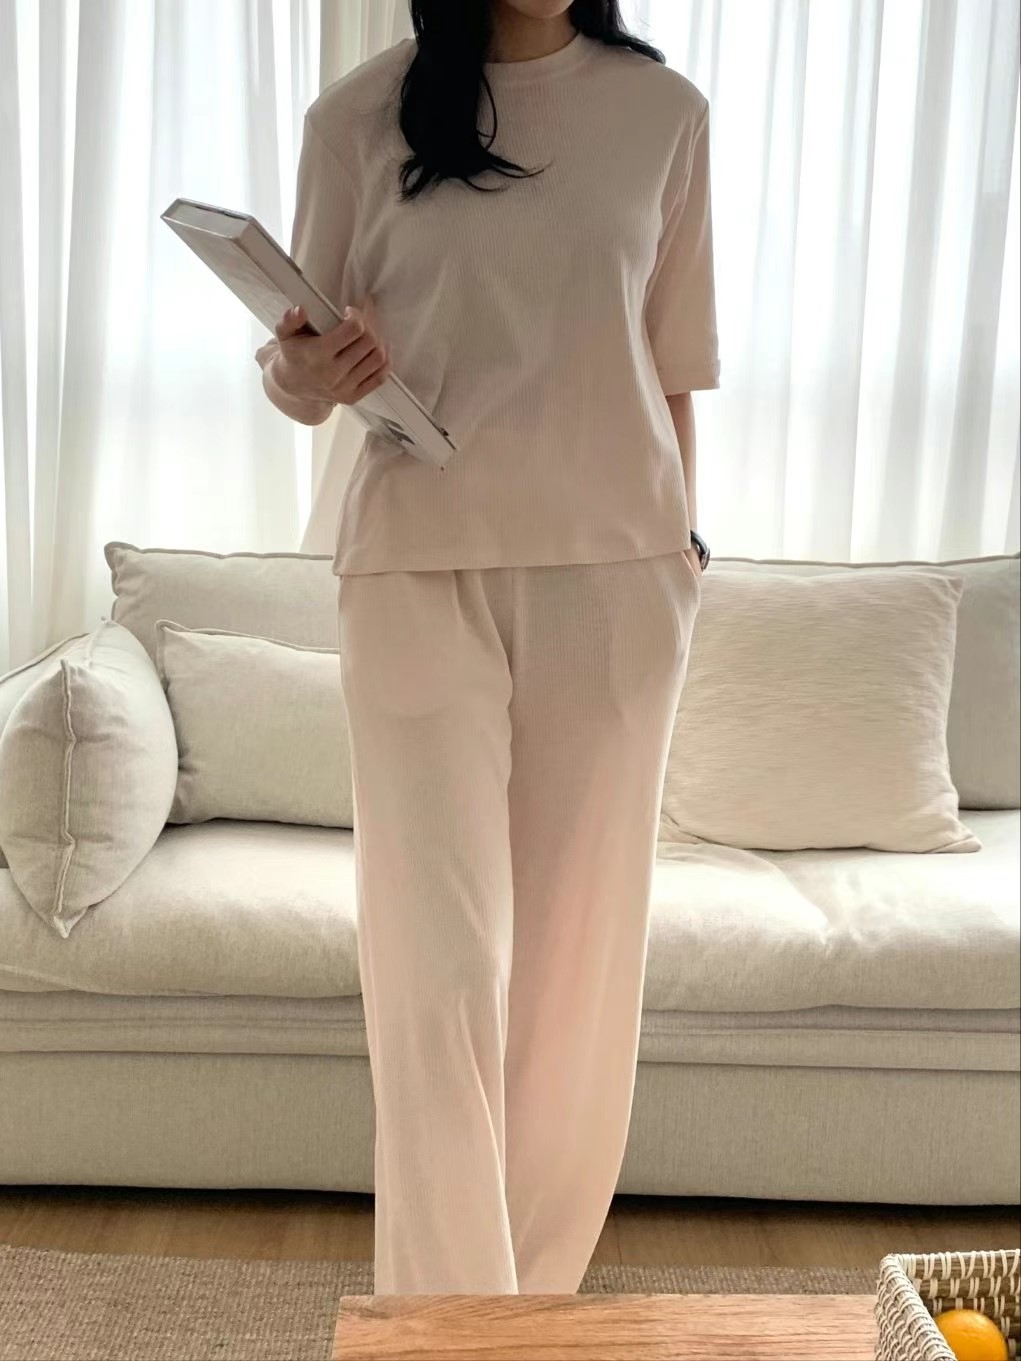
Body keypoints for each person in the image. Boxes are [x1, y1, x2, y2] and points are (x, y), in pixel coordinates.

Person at [255, 0, 719, 1298]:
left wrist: (683, 552)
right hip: (415, 573)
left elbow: (673, 369)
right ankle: (447, 1318)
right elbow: (290, 372)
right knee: (438, 972)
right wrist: (312, 374)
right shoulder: (357, 117)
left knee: (575, 981)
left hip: (614, 580)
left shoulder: (664, 114)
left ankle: (526, 1311)